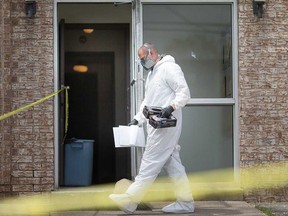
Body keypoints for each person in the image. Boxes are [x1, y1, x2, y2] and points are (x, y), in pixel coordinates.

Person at [109, 43, 194, 214]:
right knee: (173, 163)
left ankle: (130, 200)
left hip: (165, 126)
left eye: (143, 59)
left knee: (150, 161)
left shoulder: (170, 68)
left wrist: (171, 107)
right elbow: (148, 101)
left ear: (153, 53)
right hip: (156, 125)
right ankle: (186, 202)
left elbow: (184, 92)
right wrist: (137, 119)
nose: (142, 63)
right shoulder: (152, 74)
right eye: (140, 60)